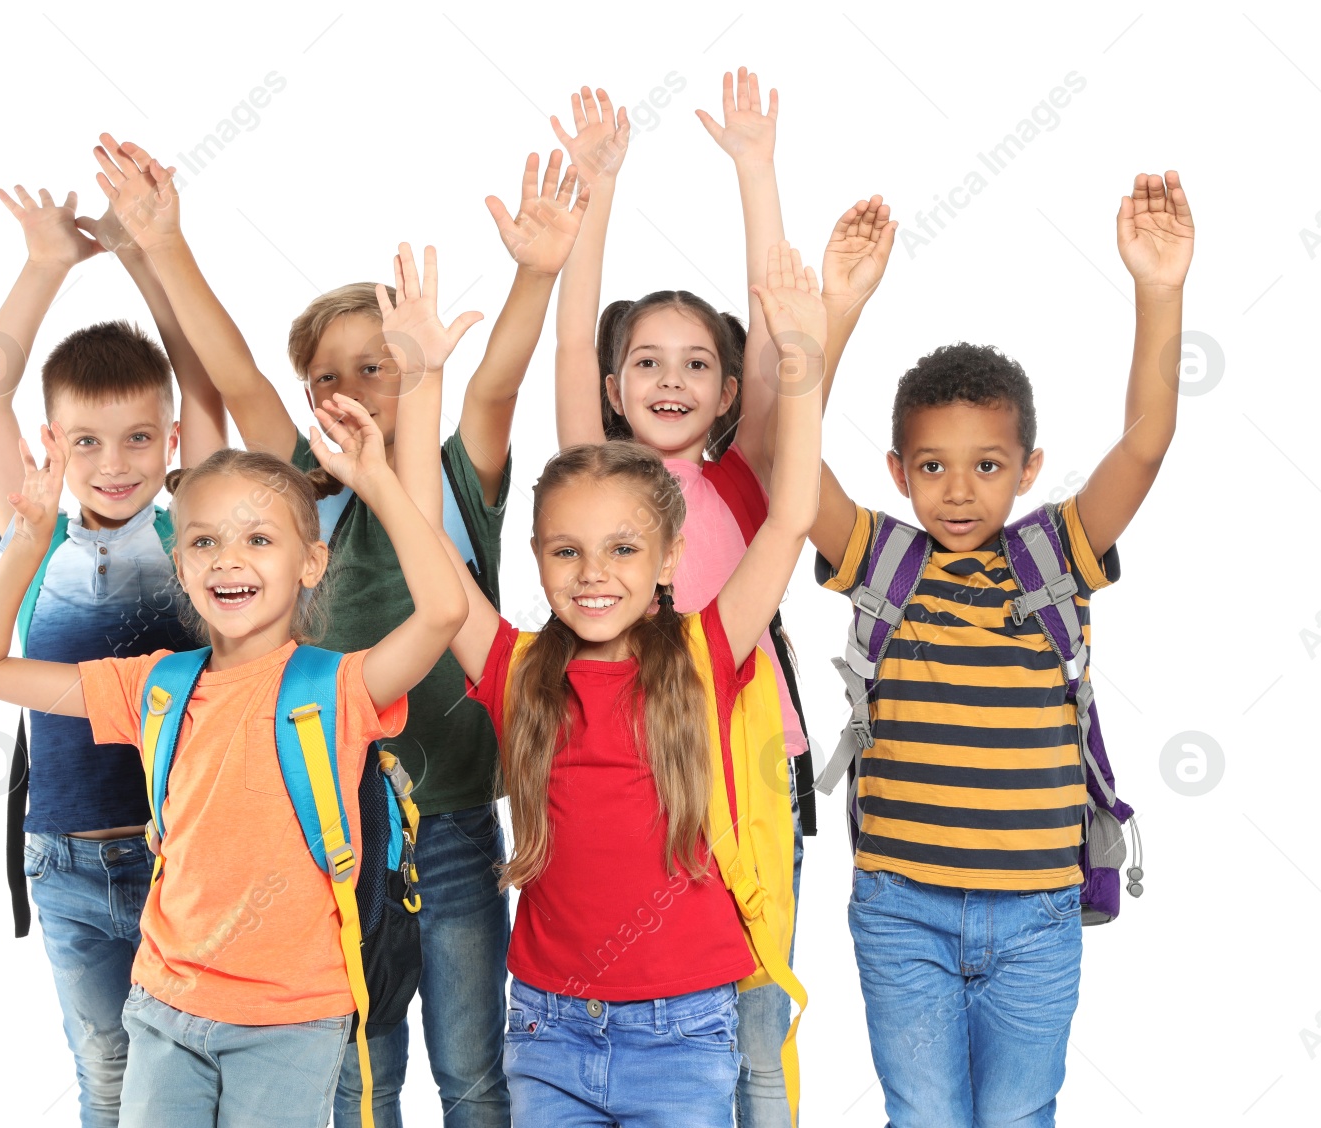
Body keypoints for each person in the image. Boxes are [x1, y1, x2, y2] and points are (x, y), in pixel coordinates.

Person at [90, 133, 588, 1126]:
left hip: (446, 820)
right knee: (363, 1069)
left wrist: (536, 274)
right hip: (328, 833)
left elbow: (494, 383)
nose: (351, 384)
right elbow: (235, 375)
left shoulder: (452, 477)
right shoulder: (293, 504)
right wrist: (166, 241)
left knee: (472, 1070)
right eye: (328, 373)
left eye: (378, 363)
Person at [0, 387, 467, 1128]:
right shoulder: (155, 687)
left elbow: (443, 611)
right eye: (204, 542)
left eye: (259, 539)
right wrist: (28, 547)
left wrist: (377, 480)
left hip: (291, 1018)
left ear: (311, 563)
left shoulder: (339, 687)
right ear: (181, 566)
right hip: (164, 1009)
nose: (229, 559)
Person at [809, 172, 1195, 1127]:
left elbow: (1143, 450)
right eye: (931, 467)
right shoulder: (879, 556)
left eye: (988, 466)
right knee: (925, 1119)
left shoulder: (1054, 555)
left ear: (1028, 467)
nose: (958, 491)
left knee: (1021, 1117)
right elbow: (786, 456)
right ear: (897, 472)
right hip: (902, 911)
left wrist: (1159, 291)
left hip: (1037, 916)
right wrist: (836, 310)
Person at [549, 71, 894, 1123]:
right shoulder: (597, 474)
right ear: (613, 388)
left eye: (696, 363)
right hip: (628, 776)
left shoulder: (744, 471)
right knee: (658, 1014)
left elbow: (777, 329)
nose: (669, 376)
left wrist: (754, 168)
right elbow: (570, 339)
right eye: (645, 360)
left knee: (753, 1016)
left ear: (727, 392)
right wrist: (598, 187)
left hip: (753, 774)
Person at [443, 241, 825, 1126]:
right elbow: (440, 575)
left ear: (667, 555)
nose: (595, 570)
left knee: (762, 1054)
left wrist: (800, 361)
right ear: (540, 555)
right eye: (569, 551)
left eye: (623, 549)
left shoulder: (703, 644)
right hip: (550, 1025)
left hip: (698, 970)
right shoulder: (526, 668)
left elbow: (793, 508)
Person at [0, 182, 225, 1126]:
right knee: (107, 1077)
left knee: (194, 1073)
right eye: (87, 441)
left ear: (173, 442)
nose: (116, 461)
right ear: (52, 445)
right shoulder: (28, 535)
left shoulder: (198, 525)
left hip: (183, 856)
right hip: (62, 860)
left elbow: (201, 381)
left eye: (139, 439)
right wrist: (45, 266)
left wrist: (149, 253)